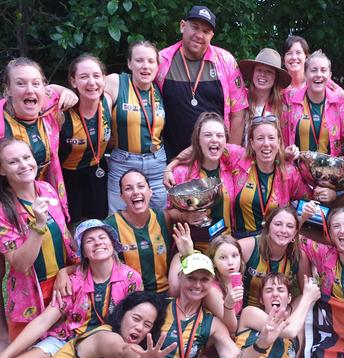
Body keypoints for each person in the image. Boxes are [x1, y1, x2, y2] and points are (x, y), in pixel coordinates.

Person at [0, 57, 76, 358]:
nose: (29, 89)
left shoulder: (47, 100)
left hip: (24, 188)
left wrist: (66, 92)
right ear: (6, 90)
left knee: (40, 253)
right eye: (20, 83)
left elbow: (66, 93)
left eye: (36, 82)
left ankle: (31, 324)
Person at [0, 219, 142, 358]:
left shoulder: (131, 279)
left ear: (113, 244)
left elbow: (135, 321)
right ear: (84, 253)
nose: (98, 242)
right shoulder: (72, 282)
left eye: (103, 237)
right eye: (89, 241)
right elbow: (43, 322)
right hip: (65, 339)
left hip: (108, 344)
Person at [0, 139, 78, 341]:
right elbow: (20, 263)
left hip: (64, 284)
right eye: (13, 162)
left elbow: (66, 238)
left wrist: (70, 271)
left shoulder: (47, 189)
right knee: (24, 357)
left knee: (62, 348)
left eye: (27, 157)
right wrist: (38, 224)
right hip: (32, 294)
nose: (24, 165)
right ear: (1, 170)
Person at [159, 252, 290, 358]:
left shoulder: (212, 324)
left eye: (204, 279)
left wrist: (262, 343)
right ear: (180, 277)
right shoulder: (159, 306)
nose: (198, 285)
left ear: (212, 282)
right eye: (191, 278)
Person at [156, 5, 249, 153]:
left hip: (214, 159)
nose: (199, 35)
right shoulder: (161, 60)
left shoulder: (226, 61)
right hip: (171, 157)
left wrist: (230, 155)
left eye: (206, 31)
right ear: (182, 26)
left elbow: (238, 112)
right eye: (195, 27)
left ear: (212, 35)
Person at [104, 40, 167, 213]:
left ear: (157, 66)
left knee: (159, 217)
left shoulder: (161, 89)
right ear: (129, 63)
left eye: (150, 61)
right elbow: (88, 89)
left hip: (156, 164)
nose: (145, 66)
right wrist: (61, 91)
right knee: (120, 218)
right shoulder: (116, 82)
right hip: (123, 162)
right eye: (139, 60)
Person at [164, 112, 241, 252]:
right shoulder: (181, 173)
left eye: (219, 135)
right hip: (193, 246)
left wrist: (287, 154)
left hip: (226, 246)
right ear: (198, 139)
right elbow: (168, 214)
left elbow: (261, 151)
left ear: (225, 141)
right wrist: (185, 216)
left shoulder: (232, 168)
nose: (214, 140)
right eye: (207, 135)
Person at [44, 291, 174, 358]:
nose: (140, 328)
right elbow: (123, 351)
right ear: (122, 314)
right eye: (136, 318)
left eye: (147, 325)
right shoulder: (104, 337)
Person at [231, 117, 310, 238]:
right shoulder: (238, 158)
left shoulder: (289, 171)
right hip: (241, 241)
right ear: (251, 143)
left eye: (271, 138)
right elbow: (213, 143)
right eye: (260, 138)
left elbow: (308, 198)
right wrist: (191, 151)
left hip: (274, 242)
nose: (266, 144)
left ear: (279, 141)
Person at [59, 54, 112, 222]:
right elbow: (44, 90)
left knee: (98, 223)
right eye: (83, 77)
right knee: (71, 225)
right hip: (68, 176)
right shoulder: (62, 110)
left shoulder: (108, 102)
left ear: (104, 79)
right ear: (73, 81)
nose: (91, 82)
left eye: (96, 76)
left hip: (98, 171)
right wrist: (62, 90)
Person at [104, 169, 173, 294]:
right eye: (128, 188)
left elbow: (187, 215)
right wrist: (64, 273)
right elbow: (90, 259)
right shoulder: (110, 226)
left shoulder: (163, 217)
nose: (136, 192)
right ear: (122, 196)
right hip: (131, 297)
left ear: (150, 191)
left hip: (165, 293)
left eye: (141, 186)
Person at [168, 226, 244, 334]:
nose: (230, 262)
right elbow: (231, 327)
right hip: (216, 333)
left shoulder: (236, 279)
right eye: (223, 257)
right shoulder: (212, 290)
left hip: (235, 326)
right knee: (250, 314)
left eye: (235, 255)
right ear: (213, 262)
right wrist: (187, 254)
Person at [236, 273, 321, 358]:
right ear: (261, 299)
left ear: (289, 298)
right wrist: (307, 298)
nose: (275, 294)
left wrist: (310, 290)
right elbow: (290, 331)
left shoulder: (298, 333)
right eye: (269, 291)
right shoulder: (250, 313)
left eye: (280, 290)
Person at [238, 207, 311, 308]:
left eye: (290, 226)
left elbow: (308, 293)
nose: (283, 230)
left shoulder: (299, 256)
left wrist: (290, 312)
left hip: (282, 315)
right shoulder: (246, 247)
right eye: (278, 224)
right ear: (268, 227)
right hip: (248, 313)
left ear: (295, 233)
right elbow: (225, 284)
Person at [282, 50, 344, 156]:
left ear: (329, 75)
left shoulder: (340, 103)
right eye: (313, 70)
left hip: (329, 170)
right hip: (297, 169)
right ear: (305, 74)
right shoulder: (290, 99)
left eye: (323, 70)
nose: (318, 75)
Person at [238, 48, 291, 146]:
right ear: (253, 72)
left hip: (271, 159)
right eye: (259, 70)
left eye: (269, 72)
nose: (262, 75)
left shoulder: (282, 107)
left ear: (276, 78)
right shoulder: (240, 100)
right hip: (242, 159)